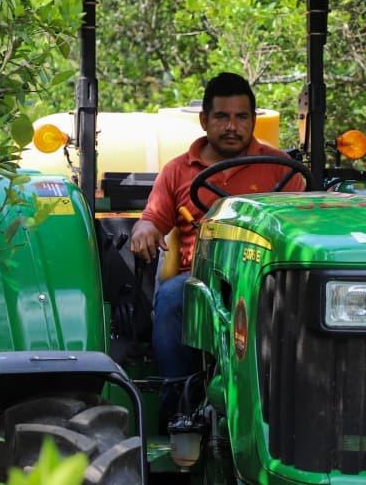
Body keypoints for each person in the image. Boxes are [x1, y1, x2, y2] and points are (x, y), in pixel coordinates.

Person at [130, 72, 305, 424]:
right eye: (222, 117)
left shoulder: (279, 171)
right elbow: (152, 219)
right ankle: (178, 404)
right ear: (204, 120)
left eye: (242, 117)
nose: (232, 126)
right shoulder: (178, 171)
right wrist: (145, 228)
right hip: (202, 282)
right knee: (172, 296)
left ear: (253, 121)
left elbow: (303, 225)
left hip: (262, 279)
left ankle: (291, 407)